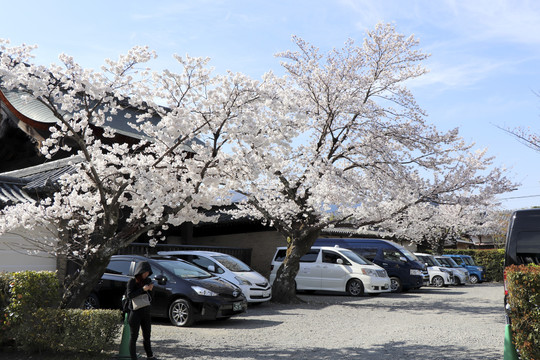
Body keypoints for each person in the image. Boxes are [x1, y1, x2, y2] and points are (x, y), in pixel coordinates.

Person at [127, 261, 157, 360]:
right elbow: (130, 295)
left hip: (146, 311)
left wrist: (151, 289)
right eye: (144, 272)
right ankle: (133, 357)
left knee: (147, 336)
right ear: (140, 271)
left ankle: (150, 356)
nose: (146, 274)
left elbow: (150, 298)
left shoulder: (148, 280)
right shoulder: (132, 281)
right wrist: (142, 290)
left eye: (148, 273)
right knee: (134, 336)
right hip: (135, 312)